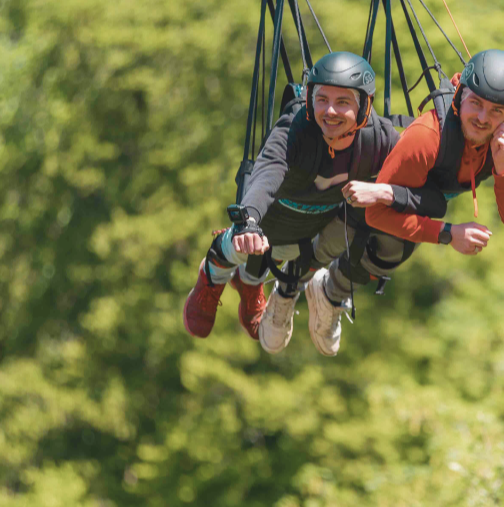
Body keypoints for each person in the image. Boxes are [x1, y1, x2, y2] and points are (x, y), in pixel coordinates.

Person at [182, 51, 444, 355]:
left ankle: (251, 283)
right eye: (322, 99)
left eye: (343, 102)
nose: (330, 111)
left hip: (306, 235)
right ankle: (211, 278)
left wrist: (387, 193)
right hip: (267, 223)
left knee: (285, 251)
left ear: (364, 106)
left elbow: (432, 198)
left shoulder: (379, 139)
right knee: (244, 245)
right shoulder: (295, 129)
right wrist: (248, 219)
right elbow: (267, 171)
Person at [359, 49, 504, 255]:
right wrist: (448, 233)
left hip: (427, 198)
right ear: (460, 97)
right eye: (475, 103)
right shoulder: (427, 135)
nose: (482, 118)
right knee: (391, 248)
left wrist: (503, 168)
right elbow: (375, 214)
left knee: (427, 214)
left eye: (497, 110)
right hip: (364, 196)